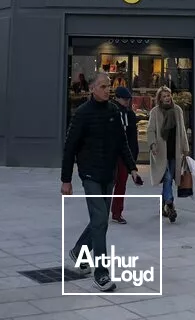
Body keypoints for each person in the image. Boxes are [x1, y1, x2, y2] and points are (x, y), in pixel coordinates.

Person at [61, 72, 142, 292]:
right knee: (99, 220)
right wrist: (65, 180)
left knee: (100, 220)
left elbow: (122, 143)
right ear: (92, 89)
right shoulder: (82, 114)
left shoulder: (114, 111)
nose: (108, 90)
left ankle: (79, 250)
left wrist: (133, 169)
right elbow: (69, 148)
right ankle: (101, 273)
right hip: (90, 175)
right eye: (104, 86)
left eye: (109, 86)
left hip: (109, 175)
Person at [147, 85, 190, 223]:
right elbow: (150, 130)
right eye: (164, 96)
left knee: (169, 180)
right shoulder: (155, 112)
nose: (167, 98)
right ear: (160, 98)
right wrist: (152, 144)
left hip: (174, 151)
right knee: (167, 177)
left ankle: (162, 206)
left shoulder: (177, 110)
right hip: (160, 152)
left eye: (168, 95)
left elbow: (182, 130)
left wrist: (185, 148)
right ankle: (170, 205)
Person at [110, 86, 139, 224]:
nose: (126, 102)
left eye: (128, 99)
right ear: (117, 98)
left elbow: (133, 137)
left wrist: (133, 157)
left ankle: (117, 212)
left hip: (123, 154)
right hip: (111, 154)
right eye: (124, 99)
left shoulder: (130, 115)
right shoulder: (110, 112)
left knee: (120, 183)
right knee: (110, 183)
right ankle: (108, 211)